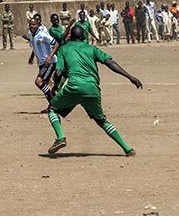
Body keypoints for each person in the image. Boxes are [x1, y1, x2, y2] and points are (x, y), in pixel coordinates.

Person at [43, 24, 141, 156]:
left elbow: (59, 72)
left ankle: (60, 138)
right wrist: (130, 77)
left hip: (74, 87)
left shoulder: (64, 49)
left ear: (70, 36)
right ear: (84, 36)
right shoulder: (92, 49)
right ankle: (127, 148)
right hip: (92, 89)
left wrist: (55, 87)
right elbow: (110, 62)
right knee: (101, 120)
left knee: (52, 109)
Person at [27, 14, 58, 103]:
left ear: (38, 25)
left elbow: (56, 44)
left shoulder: (42, 34)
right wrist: (32, 57)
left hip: (49, 63)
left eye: (34, 24)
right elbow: (35, 47)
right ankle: (53, 104)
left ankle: (53, 104)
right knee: (45, 85)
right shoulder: (33, 35)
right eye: (30, 25)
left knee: (39, 82)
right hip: (42, 63)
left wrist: (50, 56)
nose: (32, 26)